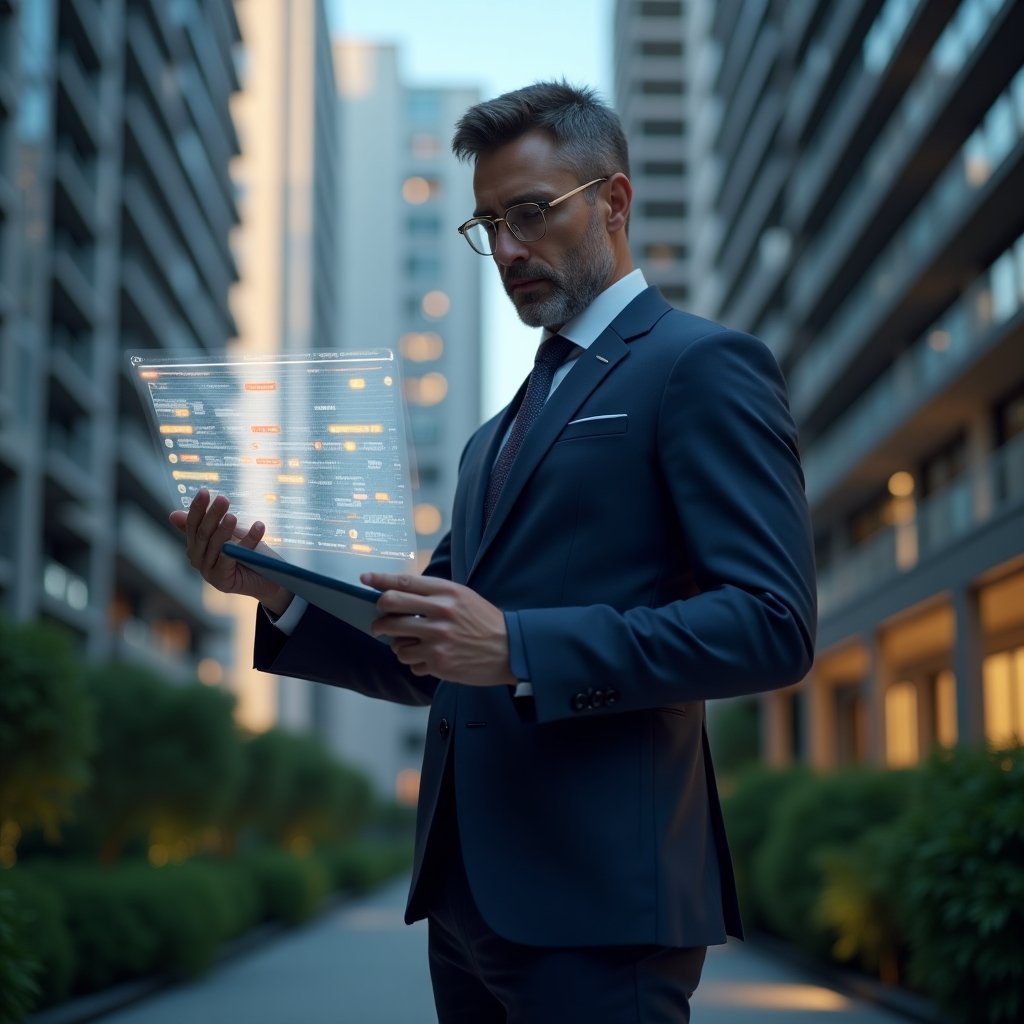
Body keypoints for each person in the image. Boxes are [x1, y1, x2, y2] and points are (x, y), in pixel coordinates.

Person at [173, 81, 816, 1023]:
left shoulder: (701, 366)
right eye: (488, 225)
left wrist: (519, 648)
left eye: (529, 214)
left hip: (600, 911)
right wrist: (272, 593)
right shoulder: (491, 438)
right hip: (466, 908)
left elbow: (773, 624)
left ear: (615, 201)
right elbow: (430, 648)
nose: (508, 250)